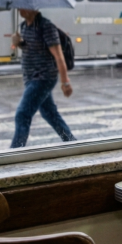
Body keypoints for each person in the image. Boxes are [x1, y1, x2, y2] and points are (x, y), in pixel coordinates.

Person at [10, 9, 75, 148]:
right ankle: (72, 142)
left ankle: (16, 151)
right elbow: (32, 48)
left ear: (33, 8)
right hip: (30, 78)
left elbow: (59, 56)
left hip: (43, 77)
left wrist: (65, 82)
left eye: (23, 6)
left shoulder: (46, 27)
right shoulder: (23, 26)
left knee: (22, 114)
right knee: (50, 114)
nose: (19, 9)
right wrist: (18, 43)